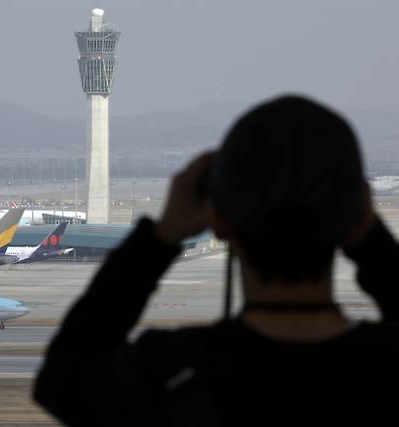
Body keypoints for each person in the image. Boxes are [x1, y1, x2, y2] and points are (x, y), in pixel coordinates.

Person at [34, 95, 399, 426]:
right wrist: (374, 244)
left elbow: (64, 378)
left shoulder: (173, 372)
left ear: (220, 222)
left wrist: (159, 238)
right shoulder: (381, 369)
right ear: (359, 216)